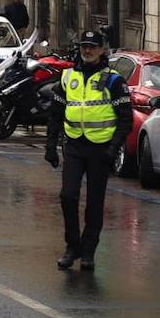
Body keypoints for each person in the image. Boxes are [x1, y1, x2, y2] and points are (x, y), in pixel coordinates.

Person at [44, 29, 131, 271]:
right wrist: (50, 145)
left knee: (94, 202)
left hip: (101, 149)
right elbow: (55, 114)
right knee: (67, 196)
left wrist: (113, 149)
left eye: (92, 46)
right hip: (74, 145)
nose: (88, 50)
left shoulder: (113, 80)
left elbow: (125, 120)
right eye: (84, 46)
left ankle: (89, 250)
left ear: (102, 49)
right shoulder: (68, 76)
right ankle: (72, 247)